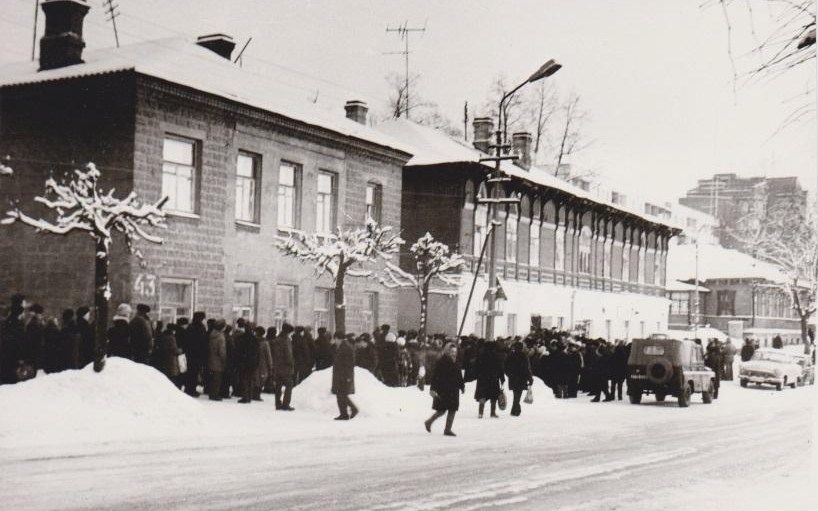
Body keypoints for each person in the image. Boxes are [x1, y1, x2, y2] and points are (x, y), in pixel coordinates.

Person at [424, 342, 464, 436]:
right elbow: (436, 376)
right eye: (452, 351)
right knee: (442, 409)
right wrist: (433, 388)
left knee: (452, 409)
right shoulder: (442, 361)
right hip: (444, 389)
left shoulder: (456, 362)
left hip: (454, 389)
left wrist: (462, 386)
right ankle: (429, 422)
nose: (454, 353)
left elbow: (459, 376)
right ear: (447, 351)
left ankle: (447, 429)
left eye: (455, 351)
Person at [332, 331, 358, 420]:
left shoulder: (345, 348)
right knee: (340, 394)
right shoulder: (343, 346)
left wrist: (348, 377)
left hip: (343, 375)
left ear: (337, 338)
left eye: (335, 339)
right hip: (341, 375)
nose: (334, 341)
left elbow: (349, 364)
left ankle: (351, 410)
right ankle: (344, 413)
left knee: (341, 394)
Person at [474, 340, 504, 418]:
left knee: (482, 395)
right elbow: (500, 368)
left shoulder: (481, 356)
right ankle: (492, 412)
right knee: (493, 396)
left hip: (483, 379)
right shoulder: (496, 356)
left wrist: (477, 375)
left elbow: (476, 367)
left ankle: (480, 413)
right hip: (493, 379)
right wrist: (502, 378)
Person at [504, 341, 533, 416]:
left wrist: (509, 374)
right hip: (521, 378)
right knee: (518, 394)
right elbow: (527, 368)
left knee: (515, 393)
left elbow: (505, 367)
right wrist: (530, 378)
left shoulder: (510, 356)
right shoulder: (524, 356)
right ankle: (516, 409)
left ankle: (514, 409)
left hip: (513, 378)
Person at [183, 311, 208, 397]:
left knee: (190, 371)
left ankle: (189, 389)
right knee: (194, 372)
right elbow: (203, 342)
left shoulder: (190, 327)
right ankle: (192, 390)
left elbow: (186, 341)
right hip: (197, 354)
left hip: (190, 354)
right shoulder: (200, 327)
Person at [271, 323, 296, 410]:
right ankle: (286, 404)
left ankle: (277, 403)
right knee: (289, 385)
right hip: (286, 367)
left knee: (278, 385)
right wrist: (292, 363)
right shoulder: (287, 340)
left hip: (277, 366)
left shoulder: (276, 340)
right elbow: (288, 354)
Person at [234, 323, 259, 404]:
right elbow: (258, 352)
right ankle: (249, 396)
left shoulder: (241, 338)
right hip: (252, 362)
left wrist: (238, 361)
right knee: (250, 379)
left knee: (244, 379)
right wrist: (257, 362)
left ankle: (245, 396)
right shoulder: (255, 339)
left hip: (243, 362)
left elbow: (237, 351)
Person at [207, 319, 227, 401]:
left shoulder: (211, 334)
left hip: (211, 358)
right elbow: (222, 350)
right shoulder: (221, 337)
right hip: (218, 360)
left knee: (212, 378)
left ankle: (211, 393)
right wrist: (224, 360)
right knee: (217, 378)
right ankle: (215, 394)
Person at [253, 326, 272, 401]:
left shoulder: (253, 340)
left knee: (255, 378)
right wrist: (270, 365)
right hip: (262, 364)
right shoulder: (264, 343)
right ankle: (257, 395)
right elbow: (268, 355)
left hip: (254, 362)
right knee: (261, 379)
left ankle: (253, 394)